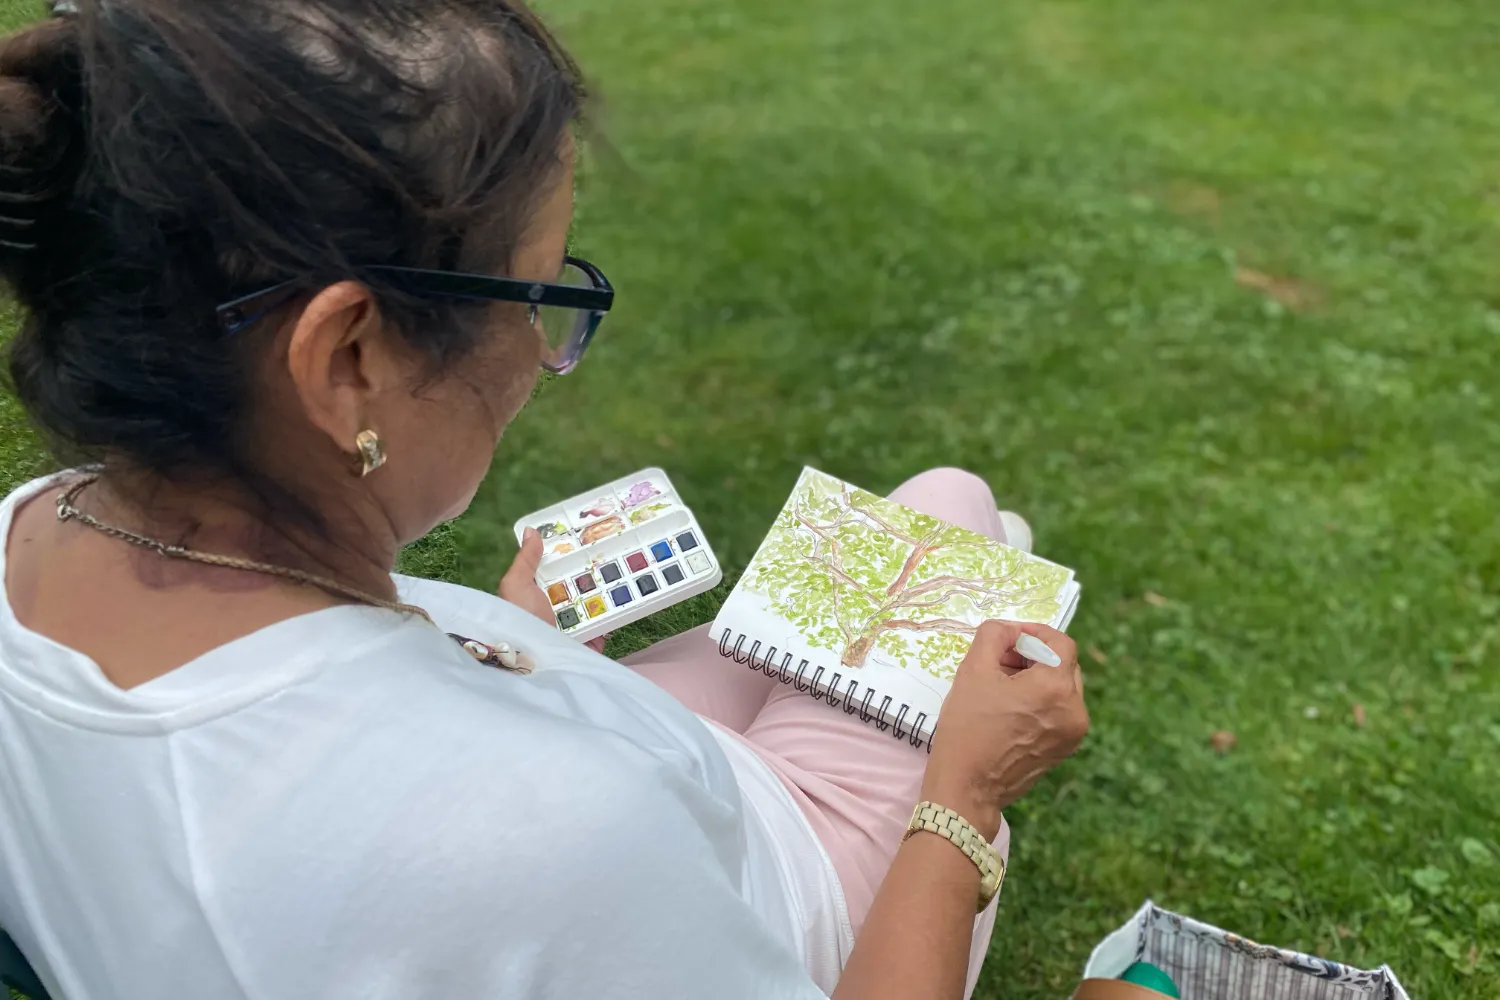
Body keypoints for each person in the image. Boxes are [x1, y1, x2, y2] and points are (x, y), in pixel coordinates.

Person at [0, 2, 1089, 998]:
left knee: (864, 586)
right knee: (948, 505)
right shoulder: (542, 830)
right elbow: (522, 842)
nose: (542, 352)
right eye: (538, 295)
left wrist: (501, 637)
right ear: (345, 360)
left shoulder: (35, 529)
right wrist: (966, 795)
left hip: (603, 767)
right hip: (733, 865)